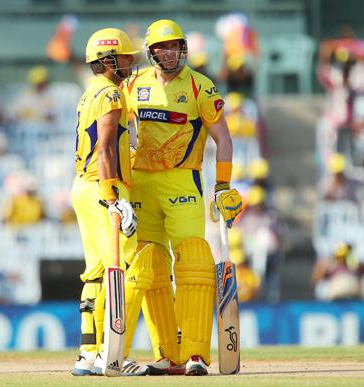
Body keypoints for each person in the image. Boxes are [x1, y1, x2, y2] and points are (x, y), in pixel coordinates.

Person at [123, 19, 242, 376]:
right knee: (151, 269)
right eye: (163, 47)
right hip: (141, 183)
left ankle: (195, 355)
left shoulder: (200, 86)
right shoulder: (133, 85)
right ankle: (167, 355)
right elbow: (115, 132)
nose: (170, 52)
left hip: (182, 182)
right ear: (151, 51)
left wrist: (222, 186)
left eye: (176, 46)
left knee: (192, 263)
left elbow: (224, 138)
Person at [70, 28, 139, 376]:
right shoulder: (111, 94)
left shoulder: (89, 92)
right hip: (101, 185)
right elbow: (105, 148)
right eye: (126, 57)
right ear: (109, 60)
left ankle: (88, 353)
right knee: (121, 268)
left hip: (83, 186)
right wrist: (112, 197)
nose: (131, 62)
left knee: (97, 272)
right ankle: (107, 354)